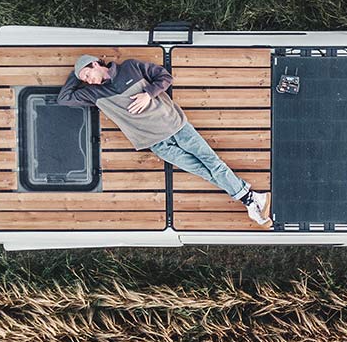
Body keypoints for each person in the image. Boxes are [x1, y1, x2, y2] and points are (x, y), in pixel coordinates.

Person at [57, 54, 271, 226]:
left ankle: (251, 201)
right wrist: (75, 72)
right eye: (83, 80)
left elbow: (165, 77)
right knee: (202, 170)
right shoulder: (94, 94)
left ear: (96, 64)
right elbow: (64, 98)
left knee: (212, 162)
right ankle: (251, 198)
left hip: (175, 125)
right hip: (156, 143)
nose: (87, 80)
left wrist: (148, 94)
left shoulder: (130, 67)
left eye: (87, 74)